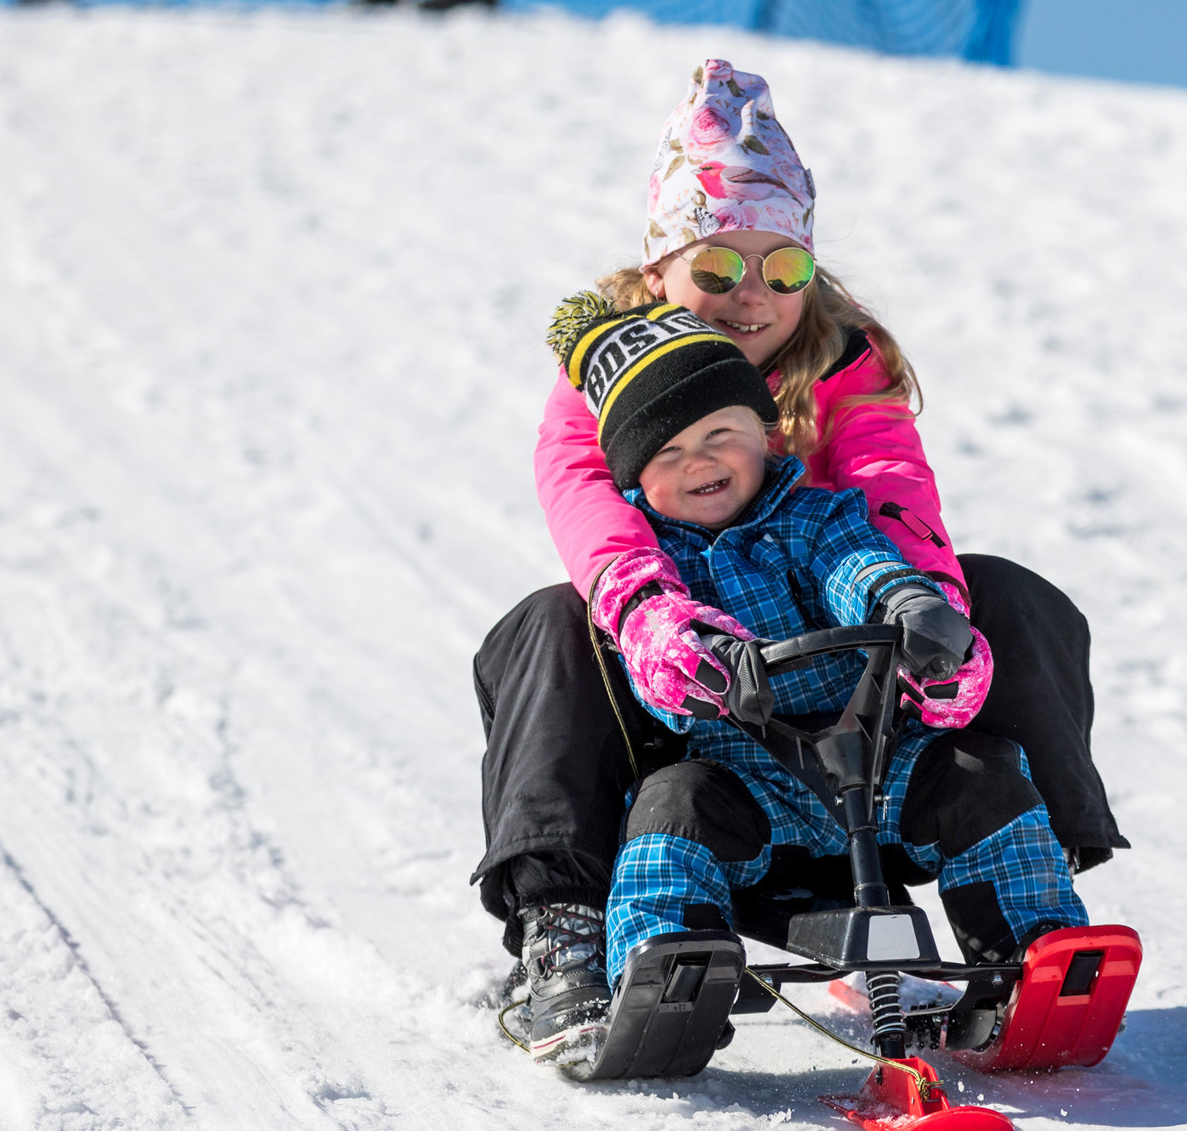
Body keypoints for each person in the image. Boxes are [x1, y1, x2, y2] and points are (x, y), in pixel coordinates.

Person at [470, 59, 1122, 1064]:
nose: (751, 294)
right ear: (661, 274)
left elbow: (888, 511)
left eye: (781, 269)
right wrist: (660, 628)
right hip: (703, 713)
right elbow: (593, 519)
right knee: (551, 622)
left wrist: (928, 620)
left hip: (869, 723)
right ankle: (570, 938)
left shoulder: (842, 364)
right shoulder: (602, 380)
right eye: (718, 268)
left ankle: (1030, 919)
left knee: (1008, 596)